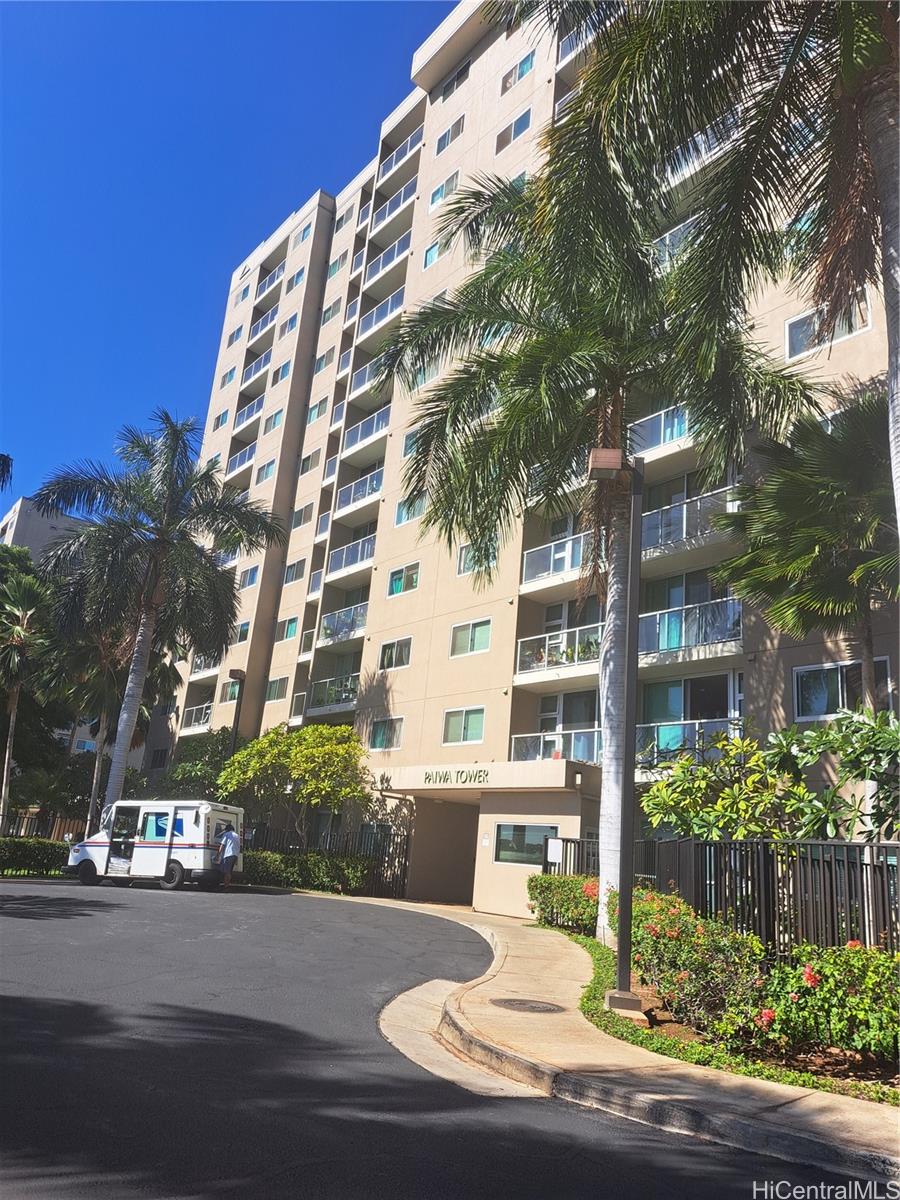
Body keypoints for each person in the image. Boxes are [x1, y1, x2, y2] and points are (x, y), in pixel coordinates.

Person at [216, 823, 240, 888]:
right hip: (235, 855)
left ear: (227, 829)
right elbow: (238, 846)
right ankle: (227, 884)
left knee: (227, 871)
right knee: (229, 871)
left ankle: (226, 886)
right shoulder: (237, 835)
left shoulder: (226, 834)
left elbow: (222, 845)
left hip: (228, 855)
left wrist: (218, 855)